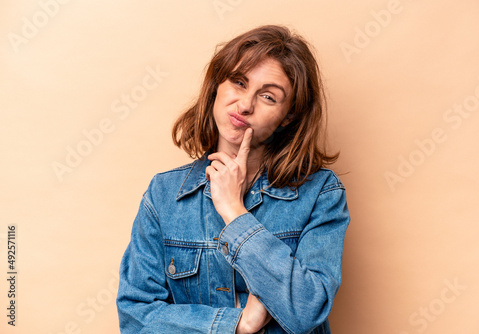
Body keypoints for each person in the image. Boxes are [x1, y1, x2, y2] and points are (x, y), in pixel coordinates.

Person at [116, 25, 350, 334]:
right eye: (238, 82)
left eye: (268, 96)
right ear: (217, 85)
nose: (245, 105)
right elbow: (135, 317)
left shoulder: (320, 193)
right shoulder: (164, 194)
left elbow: (307, 309)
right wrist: (238, 324)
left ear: (289, 115)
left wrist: (235, 213)